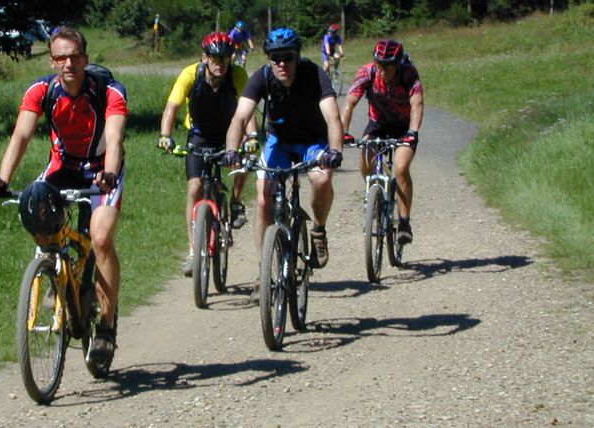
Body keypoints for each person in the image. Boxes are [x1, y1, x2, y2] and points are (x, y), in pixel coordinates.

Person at [0, 26, 128, 367]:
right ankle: (55, 273)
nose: (69, 63)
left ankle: (106, 329)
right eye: (61, 57)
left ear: (86, 59)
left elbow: (115, 137)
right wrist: (3, 179)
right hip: (63, 166)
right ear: (52, 61)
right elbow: (21, 134)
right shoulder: (41, 90)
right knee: (32, 208)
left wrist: (107, 174)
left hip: (101, 170)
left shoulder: (109, 91)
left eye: (75, 56)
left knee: (102, 237)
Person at [223, 27, 344, 301]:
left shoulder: (314, 74)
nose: (282, 64)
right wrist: (232, 149)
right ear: (268, 59)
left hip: (312, 141)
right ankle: (264, 271)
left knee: (322, 179)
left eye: (287, 58)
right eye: (275, 58)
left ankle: (318, 230)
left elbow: (333, 118)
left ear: (297, 56)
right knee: (264, 197)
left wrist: (335, 150)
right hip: (279, 142)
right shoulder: (262, 77)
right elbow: (240, 118)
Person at [158, 32, 258, 277]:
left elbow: (249, 108)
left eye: (225, 58)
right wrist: (165, 135)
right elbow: (173, 106)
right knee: (194, 188)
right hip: (200, 135)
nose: (220, 63)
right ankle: (194, 251)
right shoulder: (190, 74)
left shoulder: (237, 75)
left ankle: (235, 201)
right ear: (205, 57)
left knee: (243, 163)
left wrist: (252, 137)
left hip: (229, 133)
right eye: (215, 58)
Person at [341, 38, 424, 244]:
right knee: (366, 159)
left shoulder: (408, 74)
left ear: (398, 64)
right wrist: (343, 133)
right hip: (378, 123)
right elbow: (349, 103)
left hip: (404, 126)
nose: (383, 70)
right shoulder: (367, 72)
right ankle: (375, 198)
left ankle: (404, 222)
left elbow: (417, 103)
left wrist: (413, 131)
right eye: (379, 64)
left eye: (388, 66)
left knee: (401, 167)